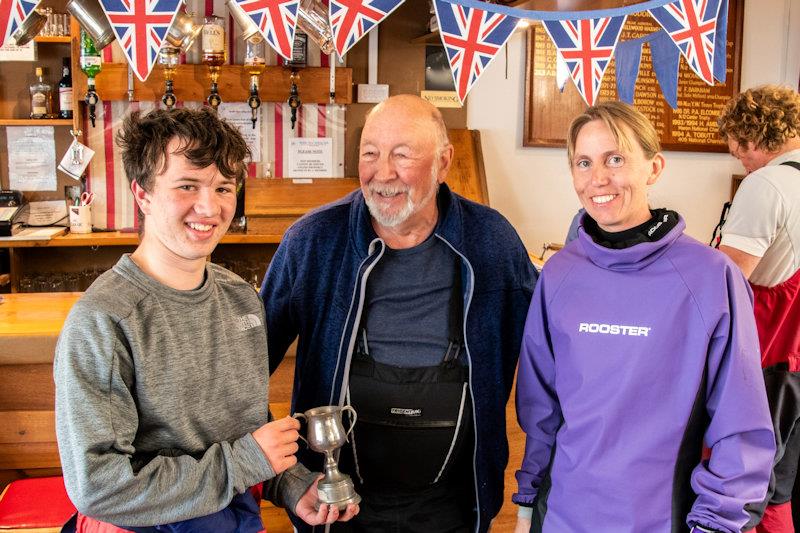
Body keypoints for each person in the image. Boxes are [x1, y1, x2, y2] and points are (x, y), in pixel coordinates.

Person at [54, 108, 356, 532]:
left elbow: (243, 430)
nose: (209, 206)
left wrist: (291, 484)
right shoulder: (106, 319)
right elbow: (100, 487)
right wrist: (248, 460)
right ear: (142, 194)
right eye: (187, 185)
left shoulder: (241, 300)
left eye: (223, 187)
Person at [260, 94, 537, 532]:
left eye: (402, 155)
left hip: (453, 507)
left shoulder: (492, 242)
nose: (382, 173)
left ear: (444, 162)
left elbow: (552, 357)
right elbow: (243, 374)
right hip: (334, 506)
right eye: (370, 153)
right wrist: (288, 481)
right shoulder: (313, 241)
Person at [513, 101, 775, 533]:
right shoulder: (560, 273)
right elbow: (540, 409)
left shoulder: (710, 278)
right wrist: (526, 507)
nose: (598, 178)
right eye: (584, 162)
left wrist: (716, 522)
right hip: (561, 515)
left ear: (653, 168)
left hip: (661, 519)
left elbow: (741, 426)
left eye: (615, 159)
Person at [717, 85, 800, 533]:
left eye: (739, 152)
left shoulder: (767, 183)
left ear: (753, 136)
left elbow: (729, 279)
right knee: (780, 486)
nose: (741, 162)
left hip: (771, 357)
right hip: (798, 363)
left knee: (744, 486)